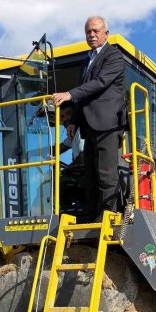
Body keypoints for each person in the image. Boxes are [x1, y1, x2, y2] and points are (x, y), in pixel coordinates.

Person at [52, 15, 125, 220]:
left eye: (96, 31)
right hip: (89, 126)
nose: (92, 35)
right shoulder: (87, 60)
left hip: (107, 124)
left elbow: (100, 83)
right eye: (88, 32)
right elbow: (84, 95)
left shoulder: (114, 56)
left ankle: (108, 218)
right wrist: (74, 120)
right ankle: (94, 217)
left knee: (106, 175)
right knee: (90, 176)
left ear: (106, 34)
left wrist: (69, 94)